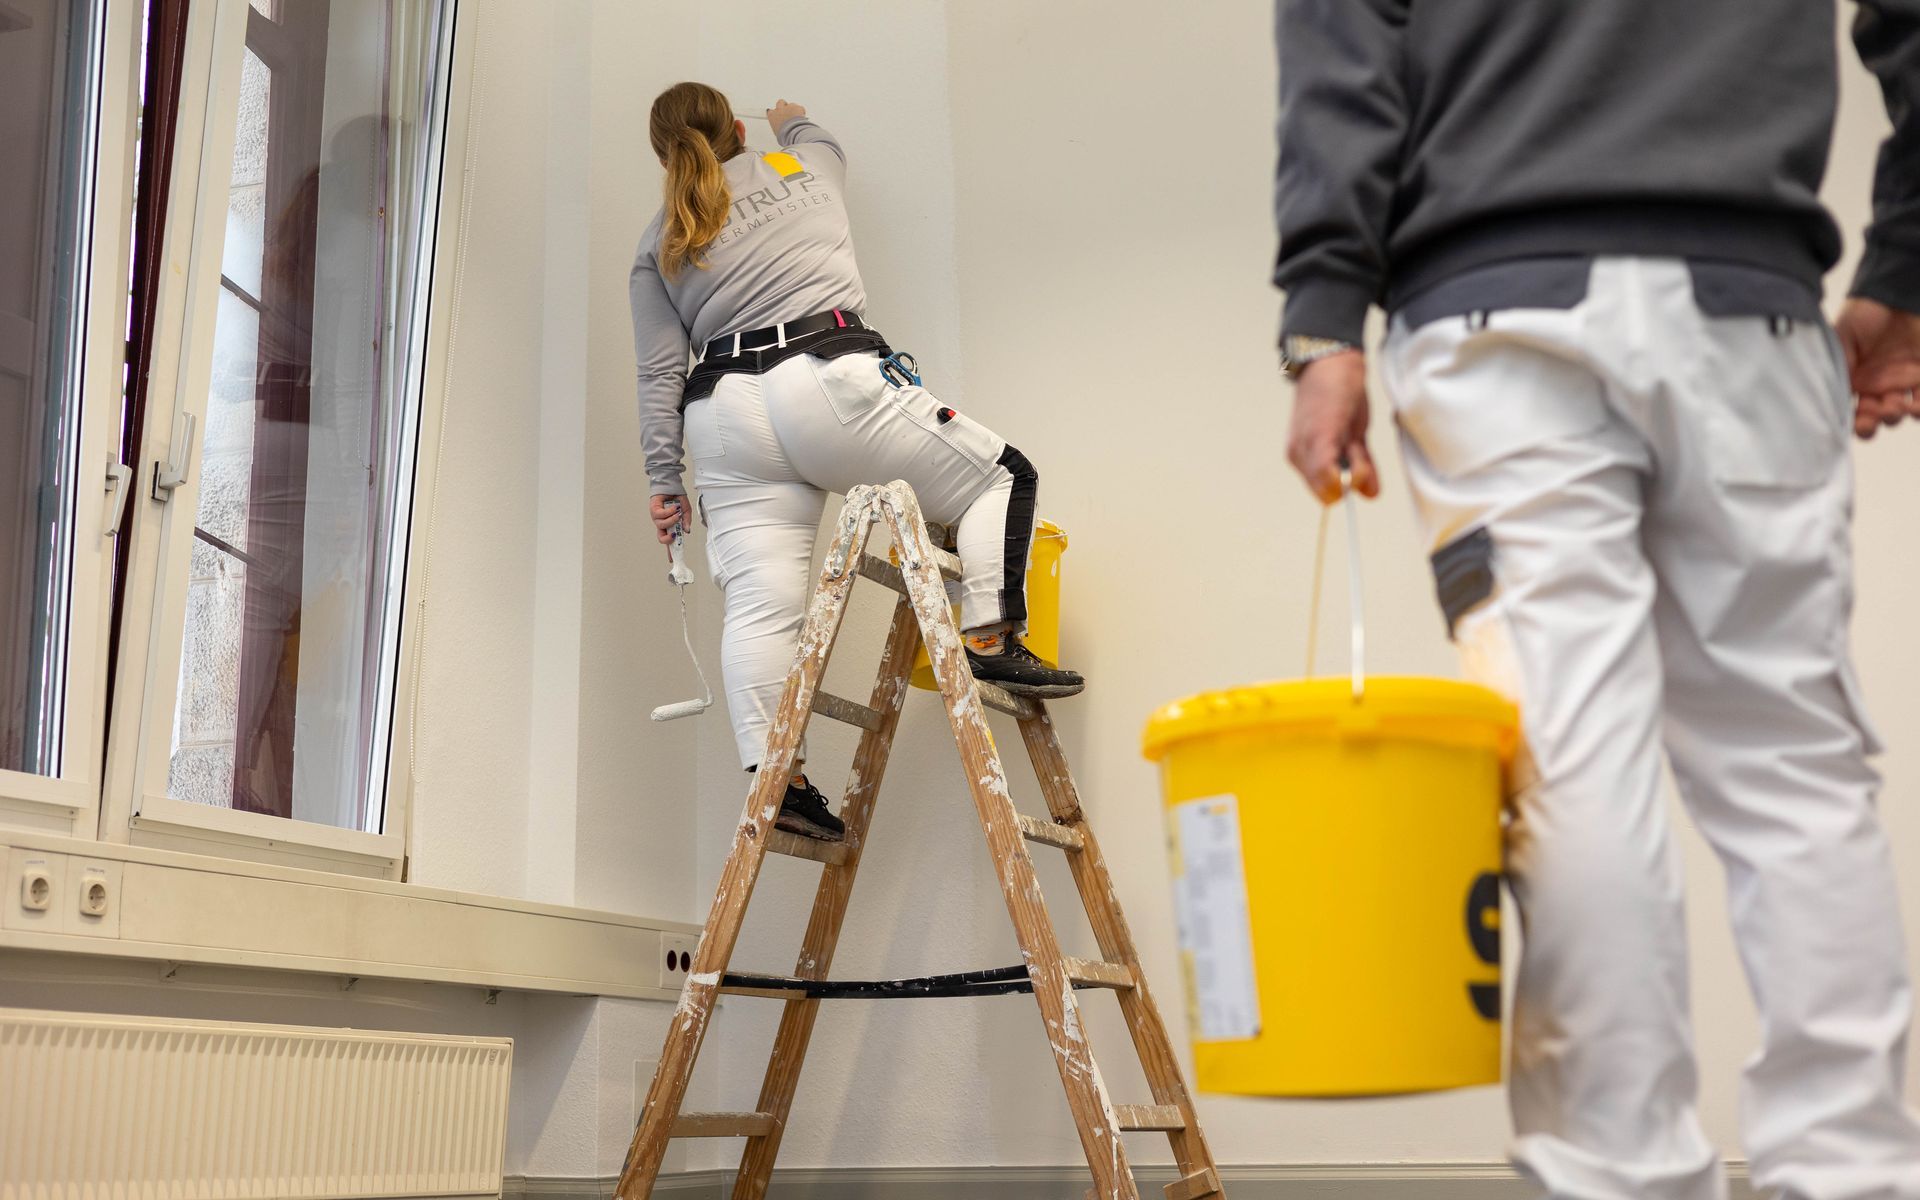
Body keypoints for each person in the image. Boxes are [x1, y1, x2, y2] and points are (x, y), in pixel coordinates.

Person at [1272, 2, 1920, 1198]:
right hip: (1750, 307)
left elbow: (1344, 36)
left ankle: (1623, 1177)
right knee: (1797, 767)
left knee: (1570, 762)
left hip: (1499, 323)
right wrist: (1904, 268)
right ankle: (1851, 1175)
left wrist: (1323, 315)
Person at [630, 82, 1083, 843]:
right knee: (1001, 476)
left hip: (723, 418)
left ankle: (781, 784)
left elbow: (657, 375)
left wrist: (662, 480)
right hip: (824, 380)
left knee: (760, 603)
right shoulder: (796, 161)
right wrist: (786, 120)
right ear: (734, 128)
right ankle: (989, 640)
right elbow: (821, 143)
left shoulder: (658, 237)